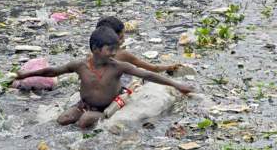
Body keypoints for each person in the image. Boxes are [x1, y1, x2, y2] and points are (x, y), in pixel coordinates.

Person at [16, 26, 194, 129]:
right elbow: (53, 71)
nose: (114, 53)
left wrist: (177, 85)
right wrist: (26, 75)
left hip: (107, 107)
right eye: (110, 49)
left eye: (116, 48)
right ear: (95, 49)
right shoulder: (80, 65)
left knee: (84, 122)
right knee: (62, 120)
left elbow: (146, 74)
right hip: (83, 105)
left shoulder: (118, 67)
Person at [96, 16, 181, 72]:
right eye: (121, 37)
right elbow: (154, 68)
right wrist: (169, 67)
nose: (124, 39)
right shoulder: (123, 54)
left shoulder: (93, 55)